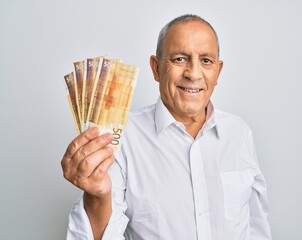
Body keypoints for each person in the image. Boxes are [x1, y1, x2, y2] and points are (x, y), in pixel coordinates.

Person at [61, 14, 272, 240]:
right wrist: (97, 196)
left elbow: (256, 227)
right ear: (156, 68)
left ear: (218, 71)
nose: (193, 73)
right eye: (180, 59)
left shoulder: (239, 133)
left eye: (206, 61)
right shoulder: (122, 138)